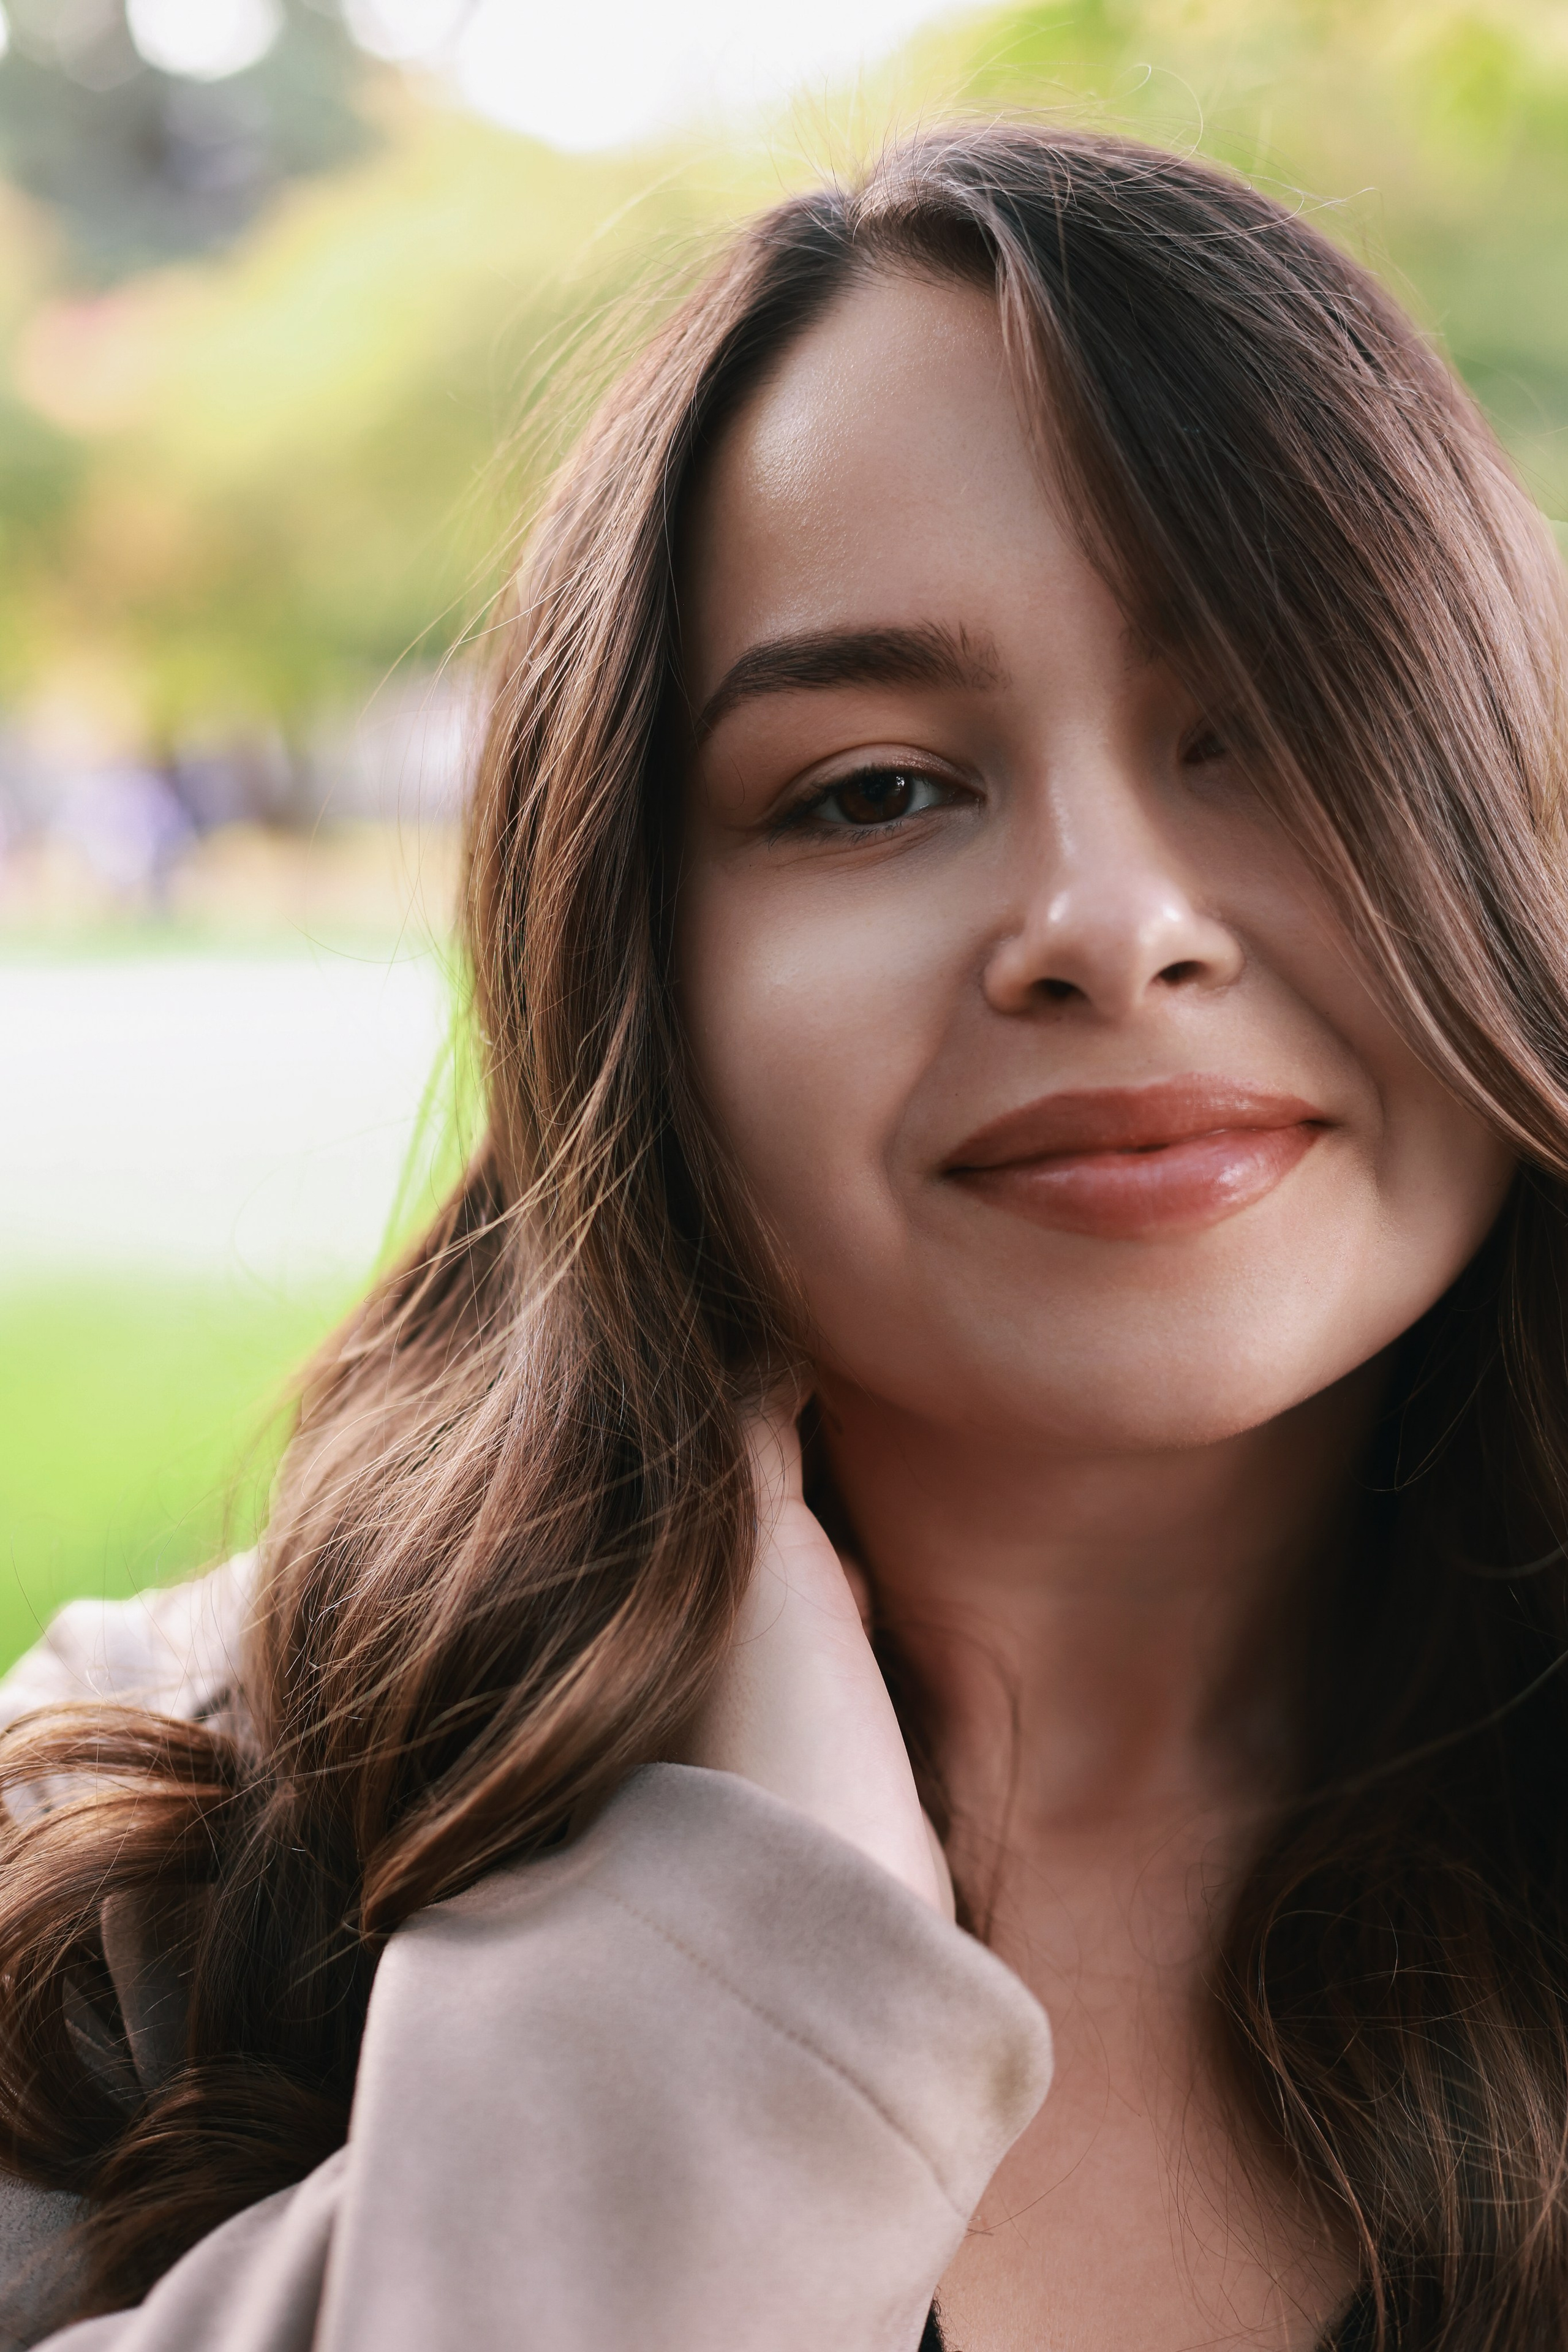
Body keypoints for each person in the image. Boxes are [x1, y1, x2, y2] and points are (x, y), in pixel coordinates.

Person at [0, 119, 1563, 2351]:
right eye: (876, 789)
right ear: (629, 968)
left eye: (1282, 734)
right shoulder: (126, 1861)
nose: (1112, 928)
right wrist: (700, 2013)